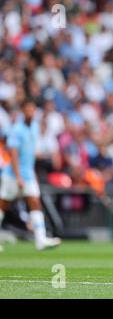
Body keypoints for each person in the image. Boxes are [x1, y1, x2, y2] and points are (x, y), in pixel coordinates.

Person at [0, 100, 61, 251]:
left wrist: (31, 173)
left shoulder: (34, 127)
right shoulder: (16, 129)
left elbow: (30, 154)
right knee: (3, 205)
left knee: (35, 202)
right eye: (27, 110)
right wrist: (18, 176)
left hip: (28, 175)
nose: (30, 112)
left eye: (32, 110)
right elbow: (13, 154)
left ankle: (40, 240)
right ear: (22, 111)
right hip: (13, 175)